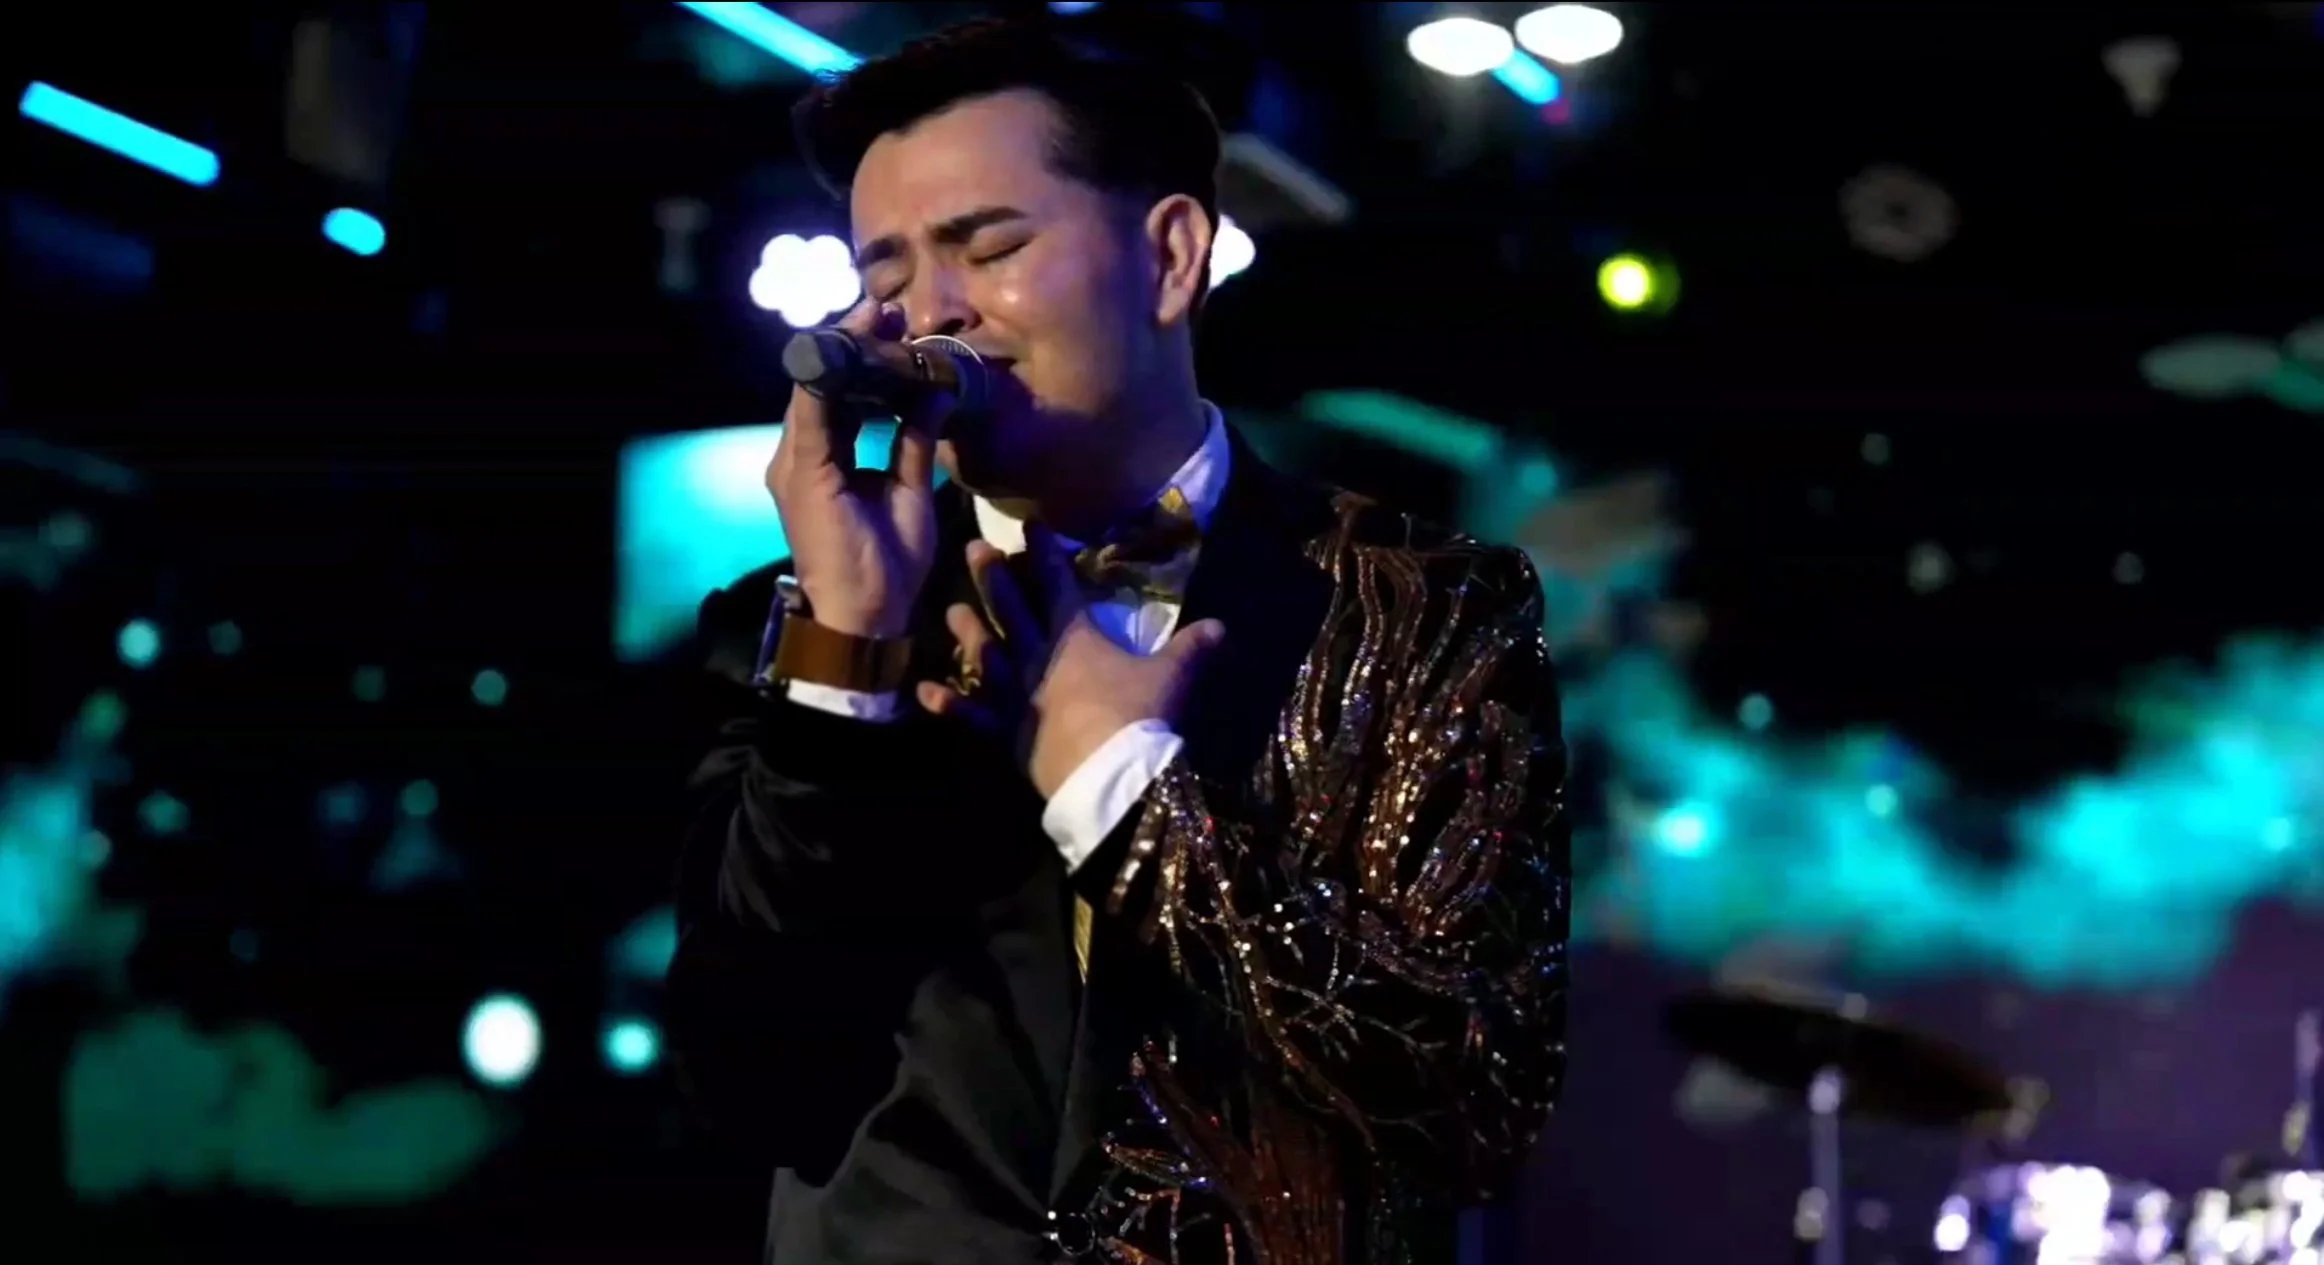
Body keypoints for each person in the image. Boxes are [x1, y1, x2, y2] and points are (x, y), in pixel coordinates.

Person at [665, 18, 1570, 1264]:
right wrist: (846, 660)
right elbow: (749, 1085)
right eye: (886, 275)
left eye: (988, 248)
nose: (930, 313)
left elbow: (1473, 1105)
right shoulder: (791, 621)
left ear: (1170, 256)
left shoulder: (1426, 603)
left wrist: (1124, 790)